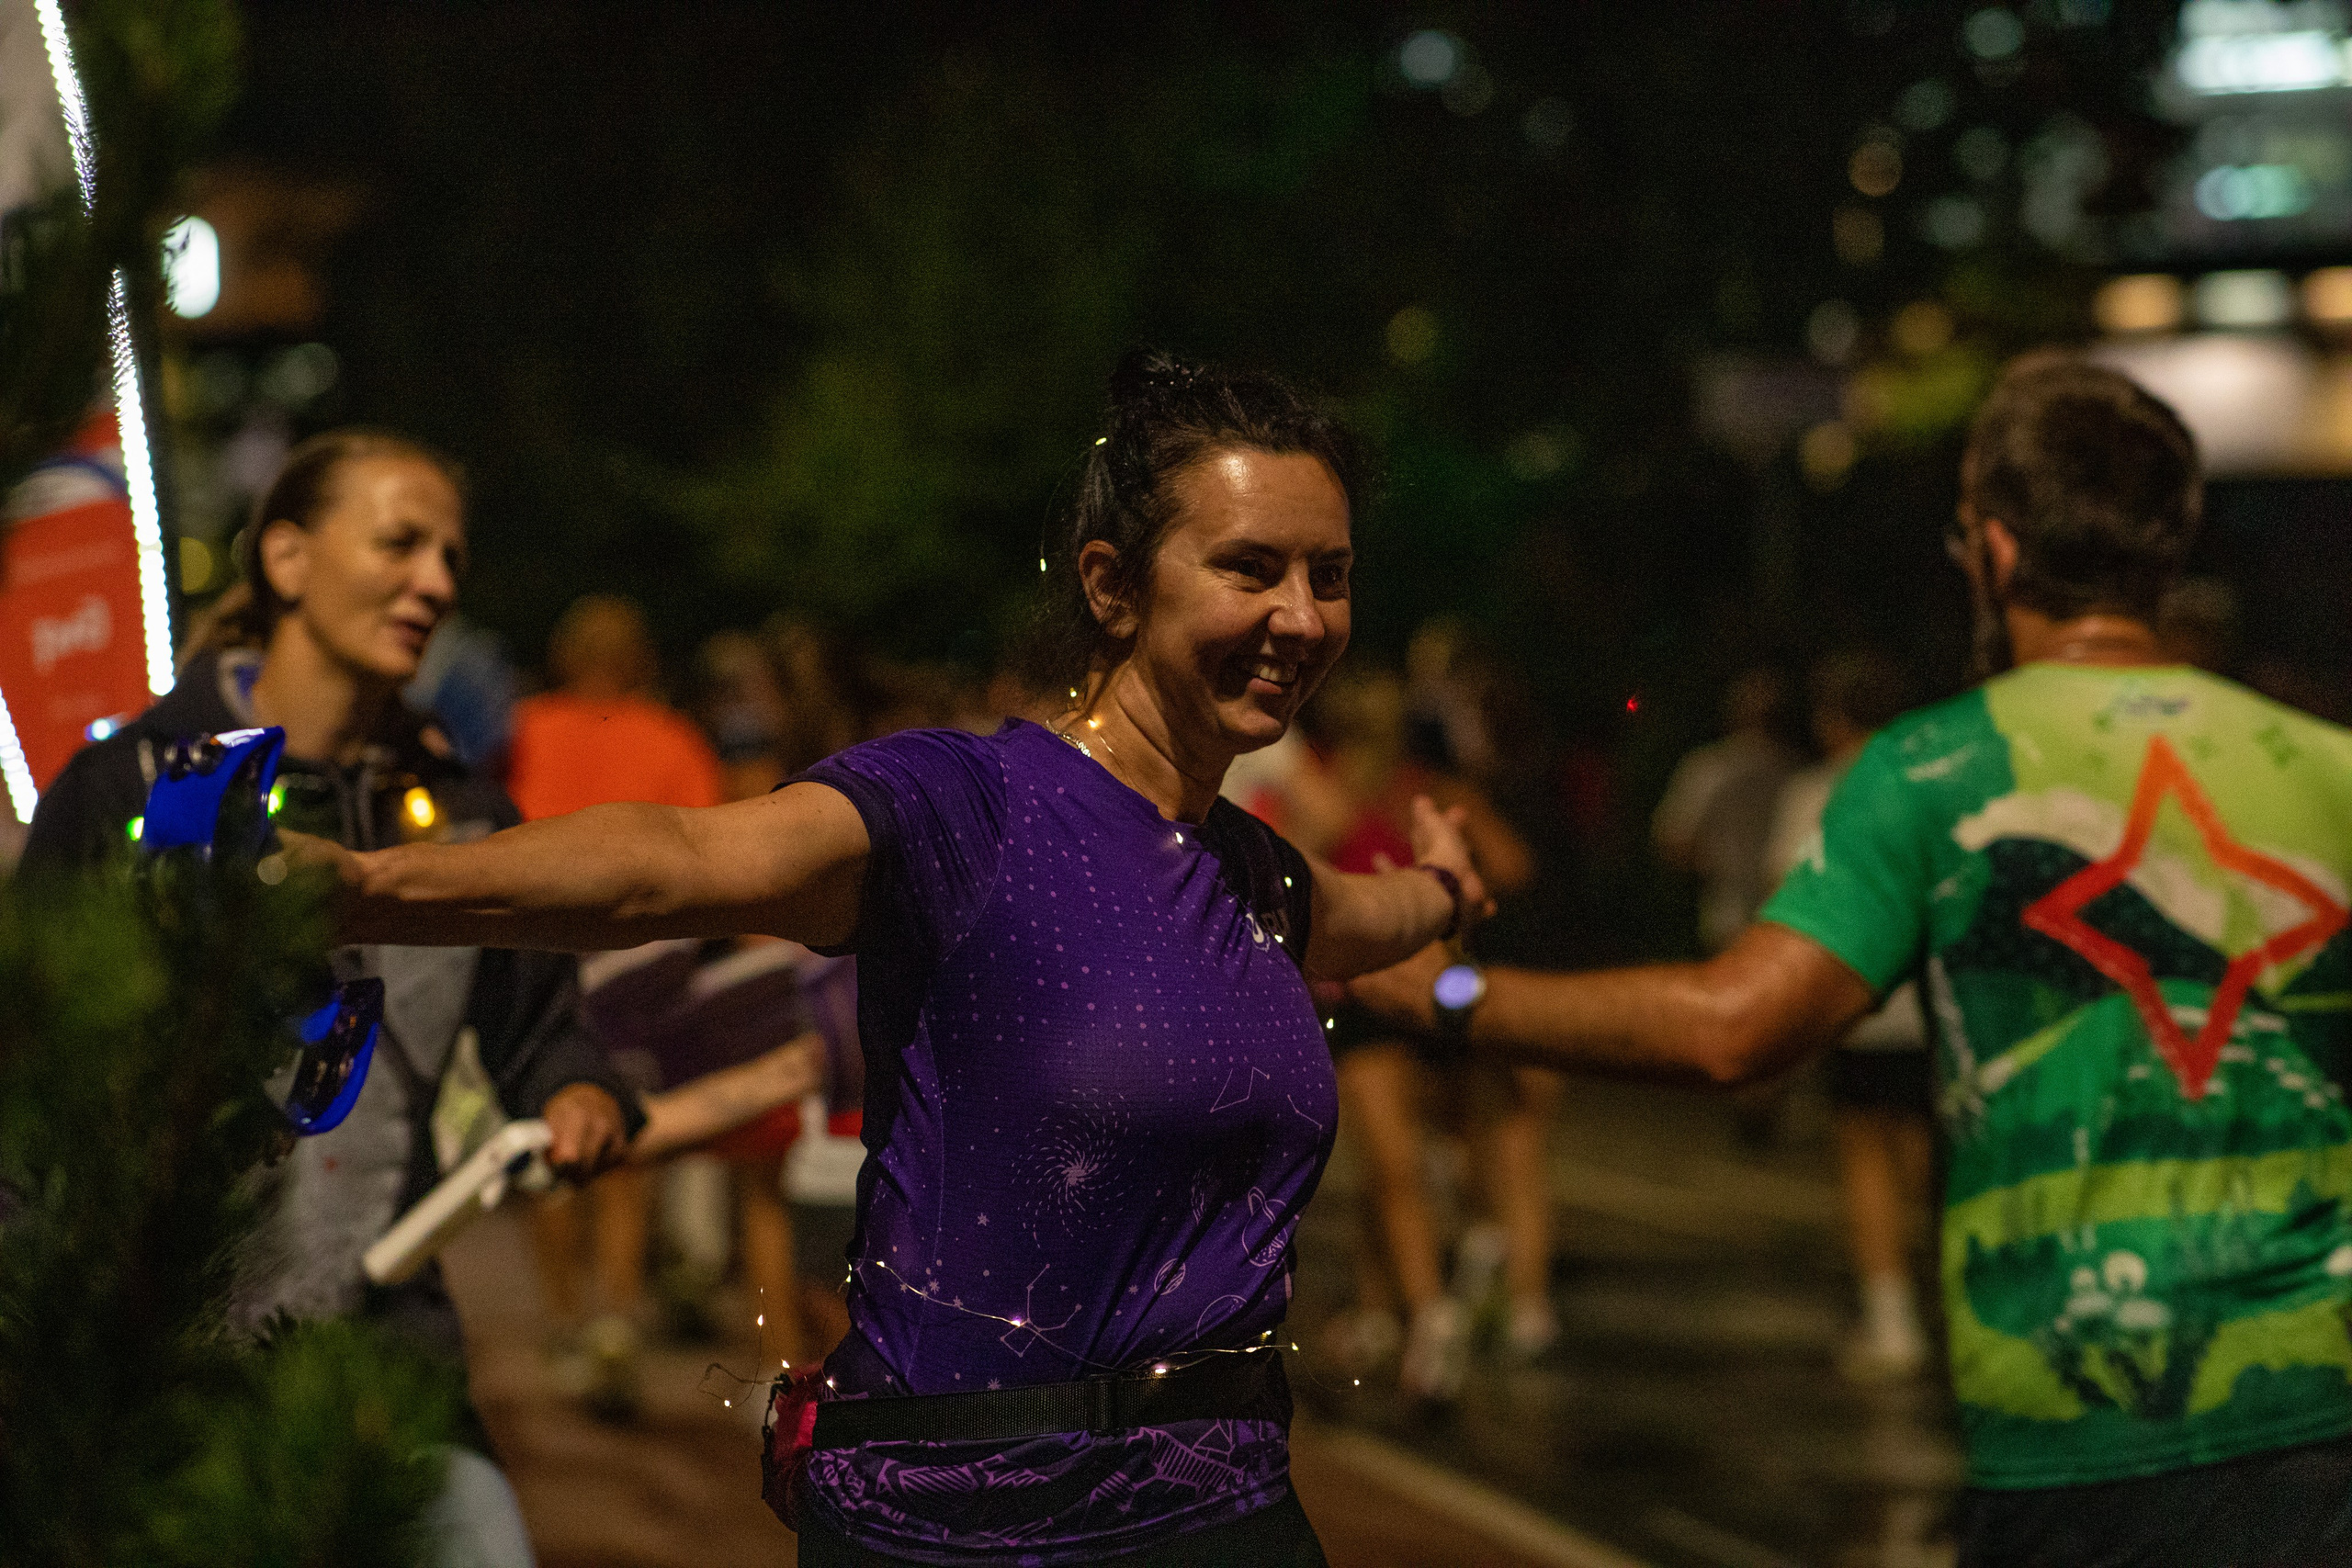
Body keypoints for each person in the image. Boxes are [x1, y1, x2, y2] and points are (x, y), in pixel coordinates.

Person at [283, 351, 1486, 1565]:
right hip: (959, 1526)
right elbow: (673, 860)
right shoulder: (967, 805)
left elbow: (1367, 917)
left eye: (1328, 576)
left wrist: (1443, 884)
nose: (1301, 616)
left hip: (1229, 1520)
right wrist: (369, 885)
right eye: (1249, 567)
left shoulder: (1254, 874)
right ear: (1113, 588)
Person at [1355, 355, 2352, 1567]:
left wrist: (1445, 991)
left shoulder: (1936, 769)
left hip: (2081, 1427)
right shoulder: (2326, 768)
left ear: (1992, 548)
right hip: (2322, 1417)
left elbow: (1734, 1024)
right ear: (2170, 543)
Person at [18, 427, 639, 1568]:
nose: (439, 584)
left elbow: (542, 1031)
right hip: (151, 1365)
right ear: (289, 560)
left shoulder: (465, 817)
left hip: (379, 1364)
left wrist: (579, 1089)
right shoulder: (131, 786)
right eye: (402, 543)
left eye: (452, 557)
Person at [505, 593, 727, 1419]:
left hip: (538, 954)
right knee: (628, 1146)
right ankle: (616, 1317)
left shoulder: (526, 729)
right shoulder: (671, 740)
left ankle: (566, 1319)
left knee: (544, 1143)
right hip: (639, 965)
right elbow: (709, 859)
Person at [1289, 666, 1538, 1400]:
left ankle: (1430, 1317)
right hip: (1432, 986)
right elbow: (1512, 863)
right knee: (1407, 1161)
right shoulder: (1424, 790)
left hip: (1369, 991)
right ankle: (1390, 1305)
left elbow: (1288, 874)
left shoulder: (1329, 785)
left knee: (1394, 1162)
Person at [1762, 650, 1934, 1382]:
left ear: (1833, 719)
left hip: (1857, 1001)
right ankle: (1940, 1294)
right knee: (1928, 1157)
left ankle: (1893, 1315)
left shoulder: (1817, 792)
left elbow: (1787, 885)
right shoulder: (1930, 786)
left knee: (1865, 1155)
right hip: (1932, 1006)